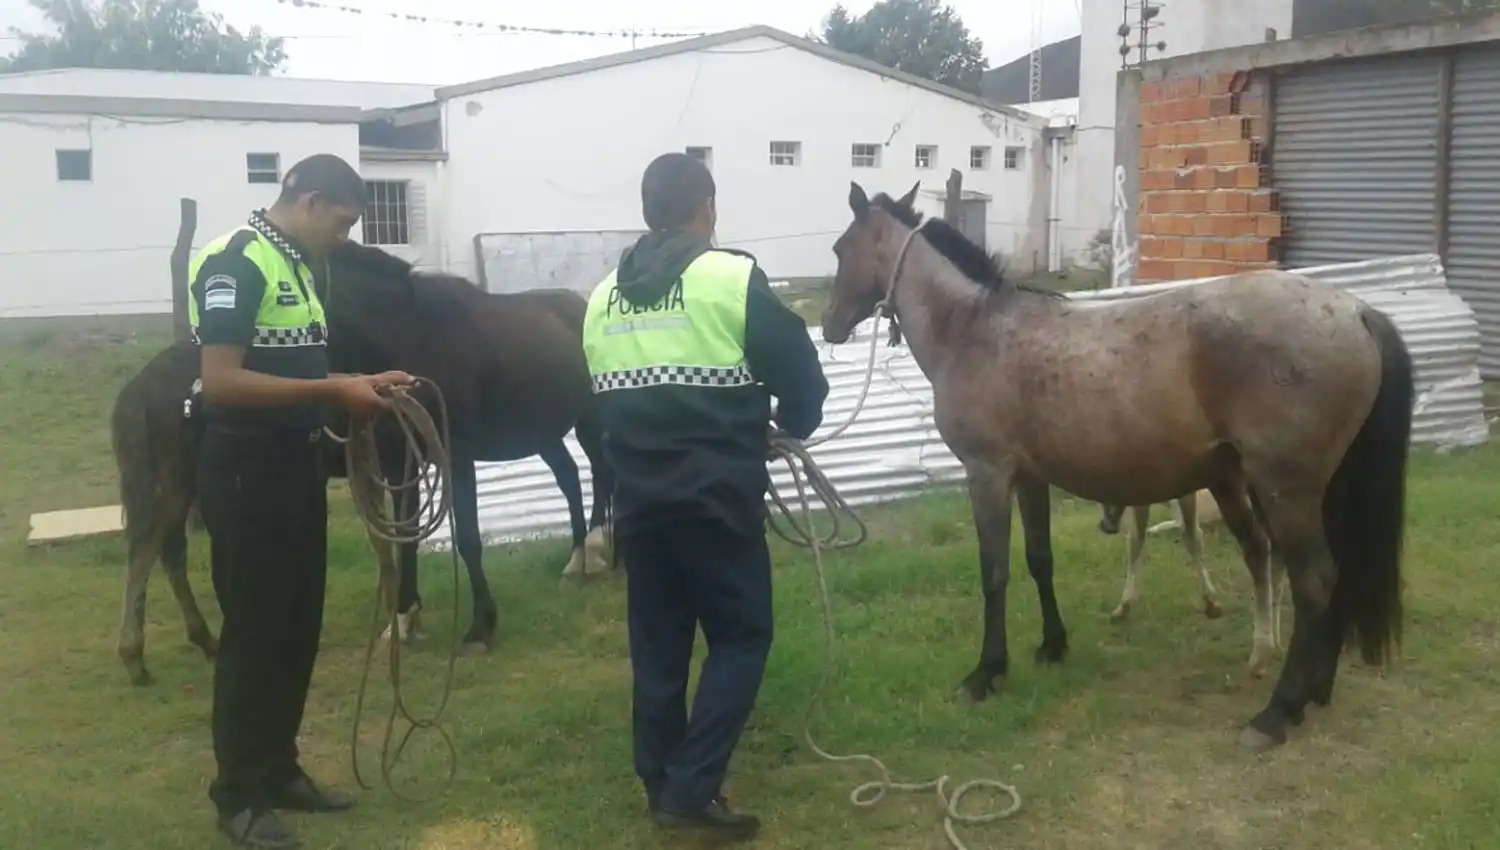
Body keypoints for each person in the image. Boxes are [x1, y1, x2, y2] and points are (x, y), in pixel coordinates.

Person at [581, 152, 830, 841]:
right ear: (707, 210)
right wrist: (791, 426)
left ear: (646, 211)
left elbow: (602, 406)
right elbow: (801, 373)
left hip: (639, 501)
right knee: (743, 636)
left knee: (659, 647)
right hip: (717, 497)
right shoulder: (730, 277)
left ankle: (660, 783)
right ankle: (690, 793)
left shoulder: (602, 297)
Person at [188, 153, 413, 849]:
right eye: (343, 222)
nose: (346, 237)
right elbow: (222, 381)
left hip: (294, 464)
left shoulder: (300, 266)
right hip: (244, 470)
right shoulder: (237, 261)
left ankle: (278, 770)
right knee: (254, 631)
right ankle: (237, 795)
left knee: (296, 624)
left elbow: (297, 365)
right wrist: (329, 393)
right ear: (312, 203)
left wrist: (358, 379)